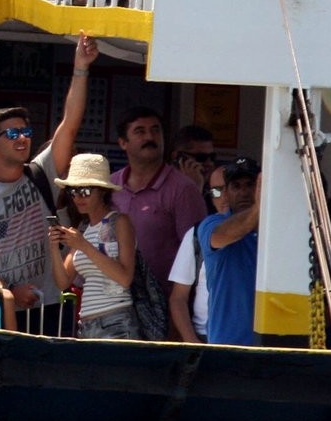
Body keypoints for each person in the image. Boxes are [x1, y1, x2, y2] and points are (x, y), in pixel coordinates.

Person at [0, 35, 97, 335]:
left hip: (51, 308)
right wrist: (10, 291)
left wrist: (81, 68)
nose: (23, 138)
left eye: (26, 131)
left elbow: (69, 124)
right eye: (12, 134)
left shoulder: (42, 173)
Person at [107, 107, 210, 287]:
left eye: (155, 130)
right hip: (111, 302)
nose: (149, 137)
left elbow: (196, 254)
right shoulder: (109, 186)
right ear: (123, 143)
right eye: (140, 131)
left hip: (162, 305)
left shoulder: (183, 189)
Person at [49, 152, 140, 340]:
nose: (78, 197)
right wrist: (53, 247)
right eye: (73, 191)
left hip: (116, 320)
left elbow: (124, 278)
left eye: (86, 191)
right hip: (86, 325)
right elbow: (63, 282)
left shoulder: (119, 222)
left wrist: (84, 246)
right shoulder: (83, 229)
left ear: (103, 191)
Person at [198, 158, 263, 347]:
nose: (244, 192)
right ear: (226, 193)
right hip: (227, 345)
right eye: (236, 186)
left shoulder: (278, 228)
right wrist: (259, 207)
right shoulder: (211, 224)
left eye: (250, 185)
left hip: (274, 343)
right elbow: (221, 236)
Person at [168, 165, 229, 342]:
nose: (224, 197)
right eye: (217, 191)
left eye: (229, 188)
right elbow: (178, 298)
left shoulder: (263, 234)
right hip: (203, 336)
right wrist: (193, 344)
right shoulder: (196, 233)